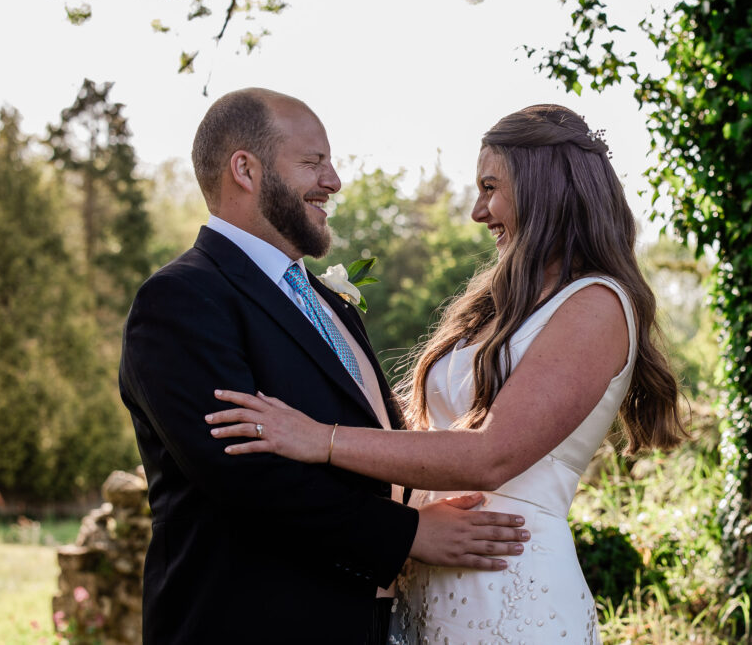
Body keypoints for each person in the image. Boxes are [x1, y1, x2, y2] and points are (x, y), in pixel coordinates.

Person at [205, 103, 687, 643]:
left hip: (511, 590)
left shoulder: (597, 305)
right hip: (427, 584)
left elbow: (491, 455)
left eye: (490, 187)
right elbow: (420, 434)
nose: (478, 212)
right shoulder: (499, 304)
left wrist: (320, 439)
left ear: (543, 188)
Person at [118, 88, 530, 645]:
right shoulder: (181, 300)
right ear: (246, 168)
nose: (333, 181)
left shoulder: (328, 300)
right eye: (313, 163)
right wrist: (409, 534)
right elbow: (241, 475)